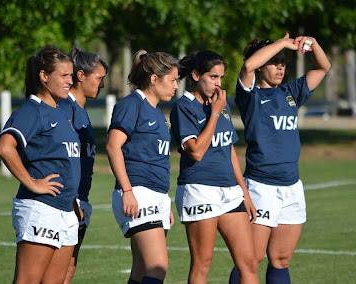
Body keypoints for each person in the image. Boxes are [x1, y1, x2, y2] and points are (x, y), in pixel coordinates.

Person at [230, 34, 331, 283]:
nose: (280, 66)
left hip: (292, 186)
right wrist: (281, 44)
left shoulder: (290, 92)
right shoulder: (250, 95)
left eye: (283, 61)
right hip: (261, 187)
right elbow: (248, 67)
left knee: (281, 259)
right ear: (263, 63)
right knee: (251, 259)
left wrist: (313, 43)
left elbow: (323, 67)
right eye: (274, 61)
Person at [170, 50, 259, 284]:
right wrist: (215, 114)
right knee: (202, 265)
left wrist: (244, 193)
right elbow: (197, 151)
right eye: (213, 77)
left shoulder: (219, 103)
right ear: (196, 75)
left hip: (230, 191)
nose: (218, 84)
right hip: (200, 190)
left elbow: (228, 150)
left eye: (221, 78)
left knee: (248, 263)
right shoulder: (183, 107)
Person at [0, 45, 81, 283]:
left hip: (65, 210)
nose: (69, 81)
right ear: (44, 76)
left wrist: (72, 199)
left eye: (71, 75)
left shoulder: (61, 111)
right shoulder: (33, 110)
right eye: (63, 76)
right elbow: (4, 146)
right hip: (41, 209)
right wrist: (33, 182)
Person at [106, 50, 178, 284]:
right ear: (154, 79)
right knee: (158, 268)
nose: (176, 86)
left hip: (153, 195)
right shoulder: (131, 105)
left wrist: (162, 200)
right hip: (137, 192)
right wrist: (128, 191)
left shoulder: (157, 112)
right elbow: (113, 147)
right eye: (173, 80)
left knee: (141, 270)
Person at [58, 46, 109, 283]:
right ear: (80, 76)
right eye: (98, 78)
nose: (102, 84)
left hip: (81, 198)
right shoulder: (65, 109)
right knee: (54, 273)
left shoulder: (80, 110)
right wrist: (71, 200)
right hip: (68, 200)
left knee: (68, 270)